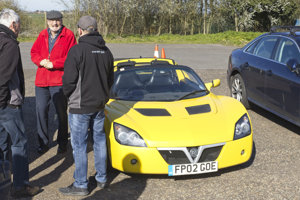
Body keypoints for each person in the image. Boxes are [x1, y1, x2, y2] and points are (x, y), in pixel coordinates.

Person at [59, 15, 114, 196]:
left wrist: (68, 96)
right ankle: (102, 179)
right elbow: (110, 80)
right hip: (99, 106)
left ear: (80, 30)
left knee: (79, 145)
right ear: (96, 29)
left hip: (80, 107)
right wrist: (104, 98)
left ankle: (81, 184)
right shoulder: (106, 51)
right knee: (99, 141)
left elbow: (68, 81)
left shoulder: (76, 51)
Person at [0, 8, 40, 198]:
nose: (20, 28)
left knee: (2, 144)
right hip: (7, 104)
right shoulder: (9, 44)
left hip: (2, 103)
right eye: (19, 25)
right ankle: (20, 186)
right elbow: (3, 77)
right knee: (19, 143)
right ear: (13, 25)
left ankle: (3, 182)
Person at [30, 10, 77, 154]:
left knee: (61, 113)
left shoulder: (68, 35)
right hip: (42, 82)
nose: (54, 23)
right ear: (47, 21)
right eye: (51, 20)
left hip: (58, 82)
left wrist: (54, 64)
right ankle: (43, 143)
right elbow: (33, 52)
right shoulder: (42, 34)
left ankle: (62, 143)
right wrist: (40, 61)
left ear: (61, 21)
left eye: (57, 20)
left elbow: (72, 57)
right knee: (41, 111)